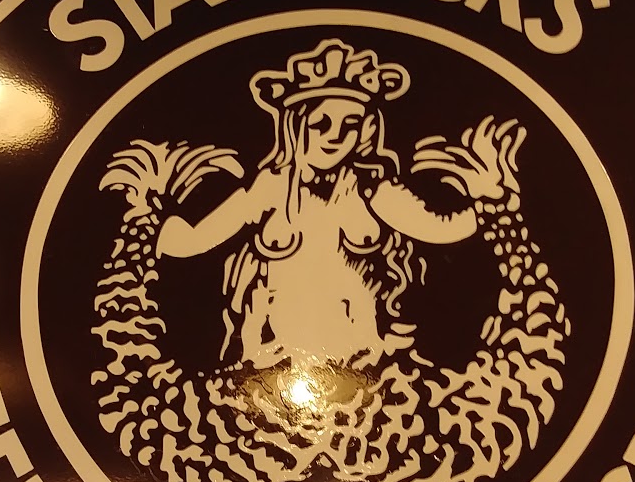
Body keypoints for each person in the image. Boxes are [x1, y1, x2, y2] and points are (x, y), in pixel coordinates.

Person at [154, 38, 516, 370]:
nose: (336, 136)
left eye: (350, 124)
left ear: (366, 129)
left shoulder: (373, 190)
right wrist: (148, 219)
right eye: (321, 123)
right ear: (296, 125)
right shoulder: (270, 188)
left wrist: (491, 199)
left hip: (361, 358)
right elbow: (197, 239)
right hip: (273, 358)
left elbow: (440, 229)